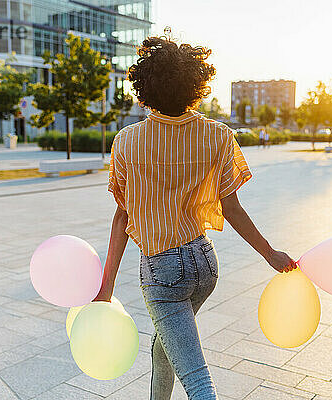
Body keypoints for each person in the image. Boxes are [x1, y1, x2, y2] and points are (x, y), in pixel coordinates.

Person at [95, 36, 297, 400]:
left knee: (198, 378)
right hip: (204, 264)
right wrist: (271, 254)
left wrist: (106, 286)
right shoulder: (218, 136)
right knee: (166, 346)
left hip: (163, 274)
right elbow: (231, 209)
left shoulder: (127, 141)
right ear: (195, 85)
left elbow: (121, 218)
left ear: (145, 86)